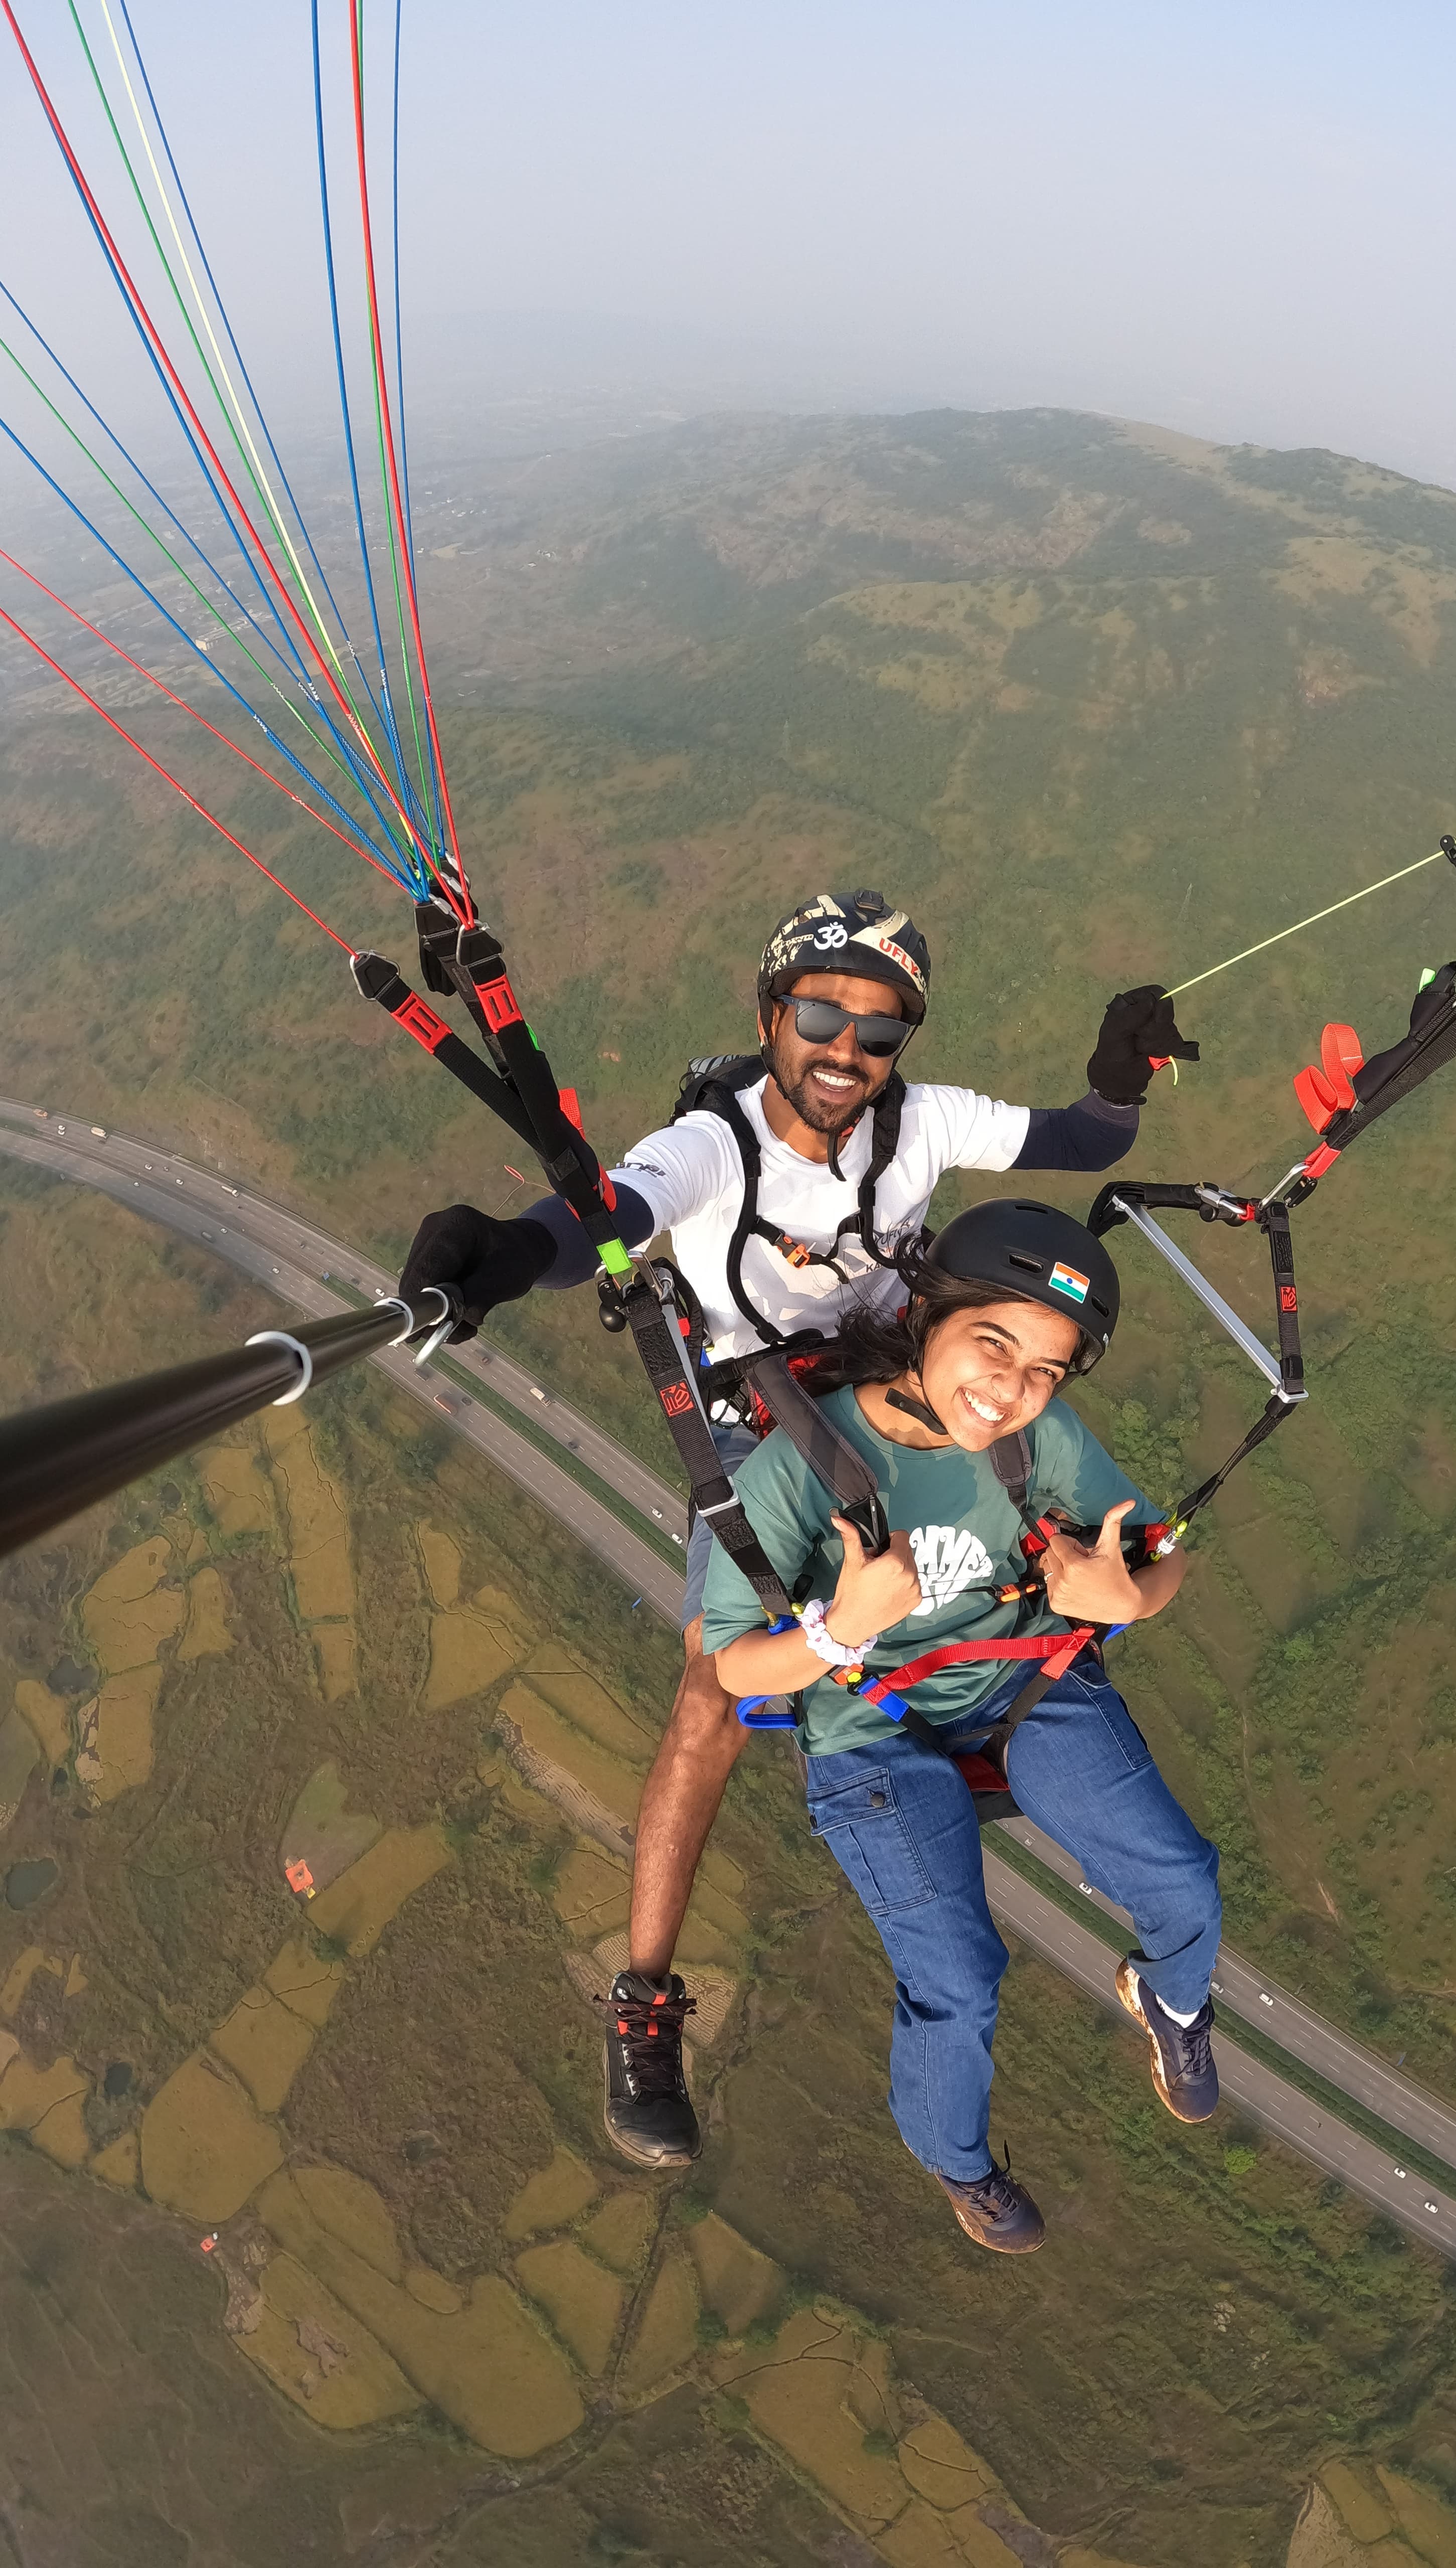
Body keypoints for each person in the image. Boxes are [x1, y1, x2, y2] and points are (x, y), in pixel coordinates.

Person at [396, 888, 1198, 2170]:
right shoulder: (715, 1147)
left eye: (879, 1033)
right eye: (822, 1015)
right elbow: (612, 1214)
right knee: (712, 1697)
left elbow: (1082, 1138)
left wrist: (1122, 1077)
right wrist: (500, 1255)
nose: (847, 1052)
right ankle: (644, 2006)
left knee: (1055, 1530)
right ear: (773, 1013)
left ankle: (1009, 1736)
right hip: (766, 1423)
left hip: (912, 1380)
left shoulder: (919, 1123)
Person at [703, 1198, 1221, 2251]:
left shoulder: (1043, 1443)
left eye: (1045, 1370)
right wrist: (842, 1627)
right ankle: (958, 2161)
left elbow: (1162, 1555)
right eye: (995, 1343)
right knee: (958, 1977)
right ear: (927, 1312)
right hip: (870, 1729)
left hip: (1021, 1684)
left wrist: (1129, 1600)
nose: (1012, 1389)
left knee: (1183, 1879)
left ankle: (1170, 2001)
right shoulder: (798, 1470)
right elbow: (731, 1662)